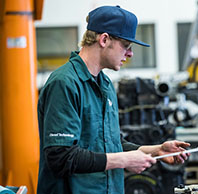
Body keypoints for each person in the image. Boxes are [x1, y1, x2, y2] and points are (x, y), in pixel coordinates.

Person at [37, 5, 190, 194]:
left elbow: (110, 144)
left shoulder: (105, 85)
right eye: (126, 46)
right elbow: (60, 157)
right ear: (104, 39)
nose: (130, 53)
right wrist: (125, 160)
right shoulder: (65, 83)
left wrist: (154, 150)